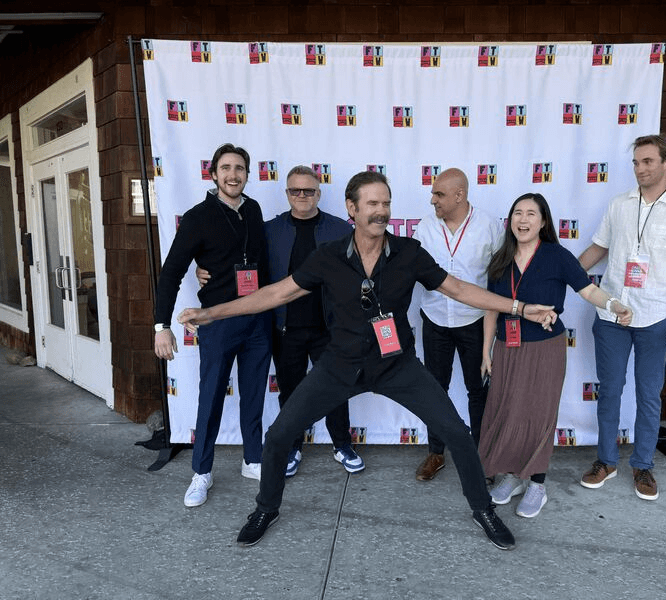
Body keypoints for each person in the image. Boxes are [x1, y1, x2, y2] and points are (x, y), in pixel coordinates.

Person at [178, 171, 559, 551]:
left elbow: (458, 289)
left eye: (386, 203)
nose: (381, 212)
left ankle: (483, 510)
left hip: (397, 366)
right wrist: (213, 313)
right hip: (339, 366)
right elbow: (277, 294)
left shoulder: (408, 253)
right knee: (278, 436)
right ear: (351, 208)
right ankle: (266, 508)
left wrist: (519, 307)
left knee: (457, 433)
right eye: (373, 204)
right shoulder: (328, 257)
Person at [198, 166, 361, 477]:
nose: (302, 196)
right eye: (295, 190)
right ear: (287, 194)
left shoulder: (341, 230)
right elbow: (240, 261)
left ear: (319, 193)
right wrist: (202, 269)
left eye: (308, 190)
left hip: (330, 328)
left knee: (336, 389)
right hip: (286, 330)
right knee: (291, 393)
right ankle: (293, 445)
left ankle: (342, 444)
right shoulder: (269, 230)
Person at [479, 193, 632, 518]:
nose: (523, 220)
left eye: (531, 214)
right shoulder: (500, 259)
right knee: (508, 412)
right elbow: (491, 309)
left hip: (545, 349)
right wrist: (486, 351)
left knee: (537, 414)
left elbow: (588, 289)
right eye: (517, 213)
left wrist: (613, 305)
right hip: (507, 347)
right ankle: (512, 476)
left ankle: (537, 484)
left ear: (543, 221)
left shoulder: (557, 256)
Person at [578, 133, 666, 501]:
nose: (640, 169)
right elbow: (598, 248)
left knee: (649, 395)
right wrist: (564, 272)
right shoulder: (619, 204)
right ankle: (606, 461)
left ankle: (643, 465)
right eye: (636, 162)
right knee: (610, 392)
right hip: (612, 313)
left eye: (648, 161)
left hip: (656, 317)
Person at [153, 143, 272, 507]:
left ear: (247, 174)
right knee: (211, 398)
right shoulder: (197, 217)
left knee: (254, 395)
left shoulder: (253, 209)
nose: (232, 174)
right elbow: (172, 271)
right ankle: (201, 472)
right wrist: (161, 325)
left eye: (239, 168)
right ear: (214, 174)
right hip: (218, 322)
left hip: (257, 320)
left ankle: (253, 460)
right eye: (225, 168)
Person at [412, 168, 504, 481]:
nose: (432, 199)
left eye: (439, 194)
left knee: (478, 391)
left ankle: (482, 457)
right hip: (434, 319)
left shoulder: (490, 226)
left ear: (459, 195)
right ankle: (435, 453)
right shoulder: (425, 226)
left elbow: (499, 277)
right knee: (434, 390)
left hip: (475, 322)